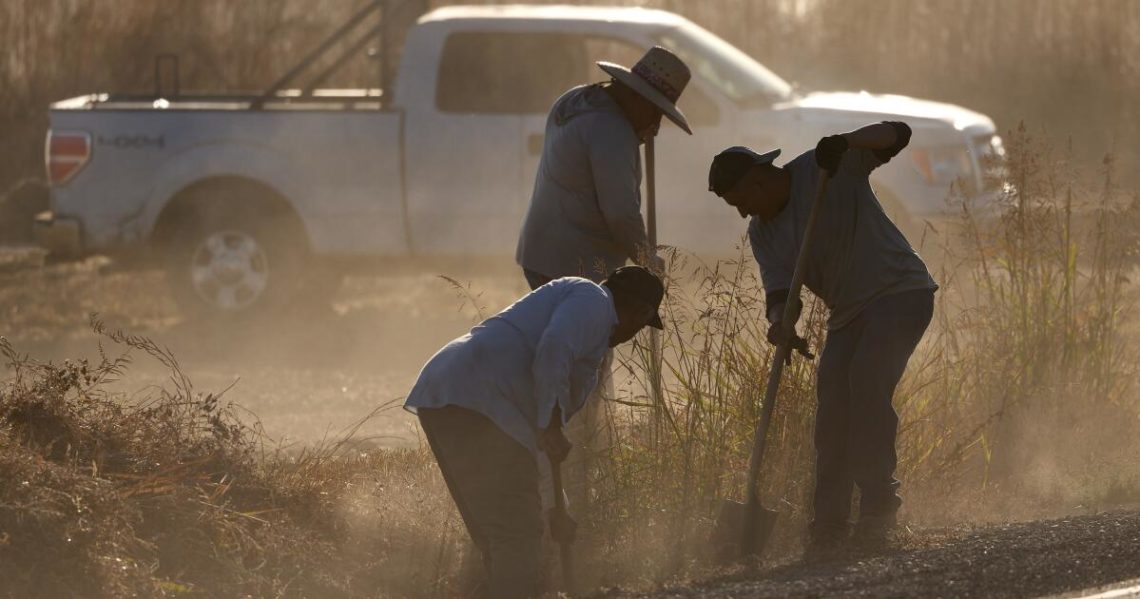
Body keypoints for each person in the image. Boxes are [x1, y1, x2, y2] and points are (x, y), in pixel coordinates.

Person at [707, 122, 938, 557]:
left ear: (759, 179)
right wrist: (780, 322)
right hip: (847, 314)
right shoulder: (763, 232)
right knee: (832, 413)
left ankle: (878, 511)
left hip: (901, 293)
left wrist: (847, 143)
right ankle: (828, 526)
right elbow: (781, 291)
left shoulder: (825, 168)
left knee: (867, 385)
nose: (742, 214)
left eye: (741, 201)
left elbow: (898, 134)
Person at [404, 266, 665, 597]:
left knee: (497, 534)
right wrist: (552, 422)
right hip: (476, 397)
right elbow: (553, 348)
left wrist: (557, 507)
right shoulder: (592, 299)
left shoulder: (589, 348)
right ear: (641, 312)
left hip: (452, 394)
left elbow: (542, 440)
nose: (635, 334)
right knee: (515, 532)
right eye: (642, 325)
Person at [516, 45, 693, 287]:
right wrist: (648, 260)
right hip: (573, 264)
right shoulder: (612, 131)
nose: (656, 125)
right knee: (584, 325)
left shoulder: (577, 100)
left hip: (541, 253)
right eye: (656, 111)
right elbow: (620, 212)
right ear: (636, 97)